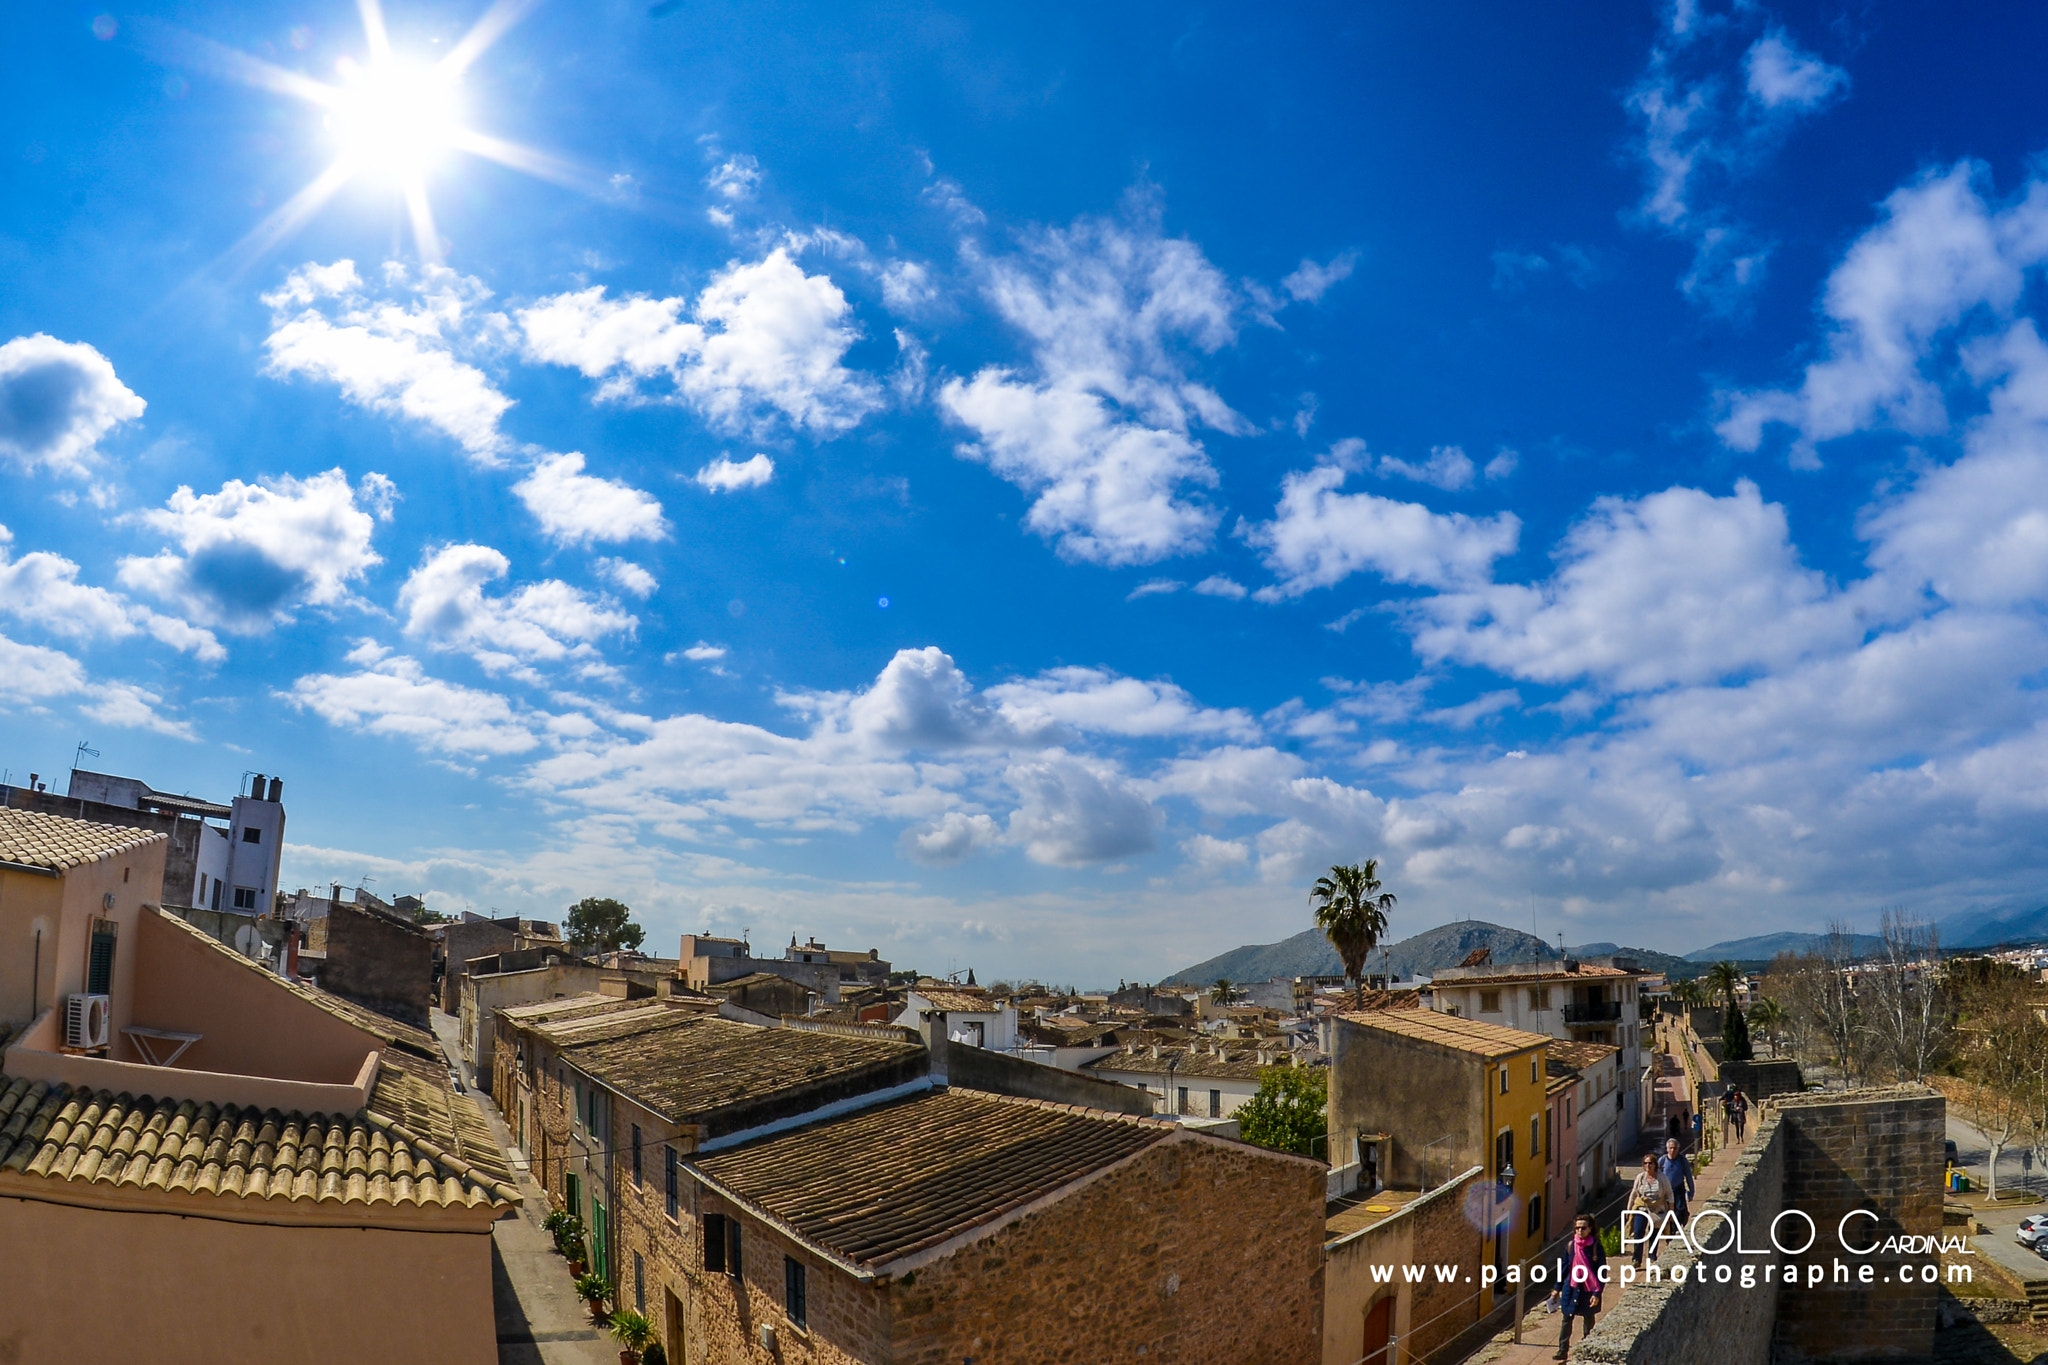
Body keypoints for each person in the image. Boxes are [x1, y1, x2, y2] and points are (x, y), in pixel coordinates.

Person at [1546, 1214, 1608, 1361]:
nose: (1580, 1231)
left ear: (1590, 1228)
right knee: (1567, 1319)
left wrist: (1597, 1293)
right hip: (1571, 1287)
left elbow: (1602, 1271)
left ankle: (1588, 1349)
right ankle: (1562, 1350)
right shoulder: (1570, 1246)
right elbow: (1564, 1268)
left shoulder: (1596, 1247)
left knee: (1588, 1320)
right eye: (1577, 1228)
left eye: (1583, 1228)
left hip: (1588, 1290)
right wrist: (1557, 1289)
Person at [1624, 1152, 1672, 1268]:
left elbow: (1670, 1195)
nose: (1648, 1165)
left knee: (1654, 1234)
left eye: (1650, 1163)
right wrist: (1629, 1209)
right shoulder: (1640, 1177)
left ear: (1655, 1164)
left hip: (1657, 1209)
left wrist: (1671, 1211)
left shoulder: (1662, 1178)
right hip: (1641, 1208)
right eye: (1645, 1163)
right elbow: (1634, 1193)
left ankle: (1652, 1256)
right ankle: (1636, 1259)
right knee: (1638, 1232)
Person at [1660, 1136, 1696, 1229]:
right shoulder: (1662, 1160)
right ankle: (1671, 1232)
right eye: (1670, 1148)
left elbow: (1688, 1176)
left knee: (1680, 1210)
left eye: (1675, 1148)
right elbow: (1656, 1176)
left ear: (1678, 1149)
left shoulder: (1682, 1160)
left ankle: (1677, 1227)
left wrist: (1691, 1192)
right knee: (1668, 1212)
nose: (1672, 1150)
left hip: (1679, 1189)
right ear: (1667, 1149)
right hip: (1666, 1191)